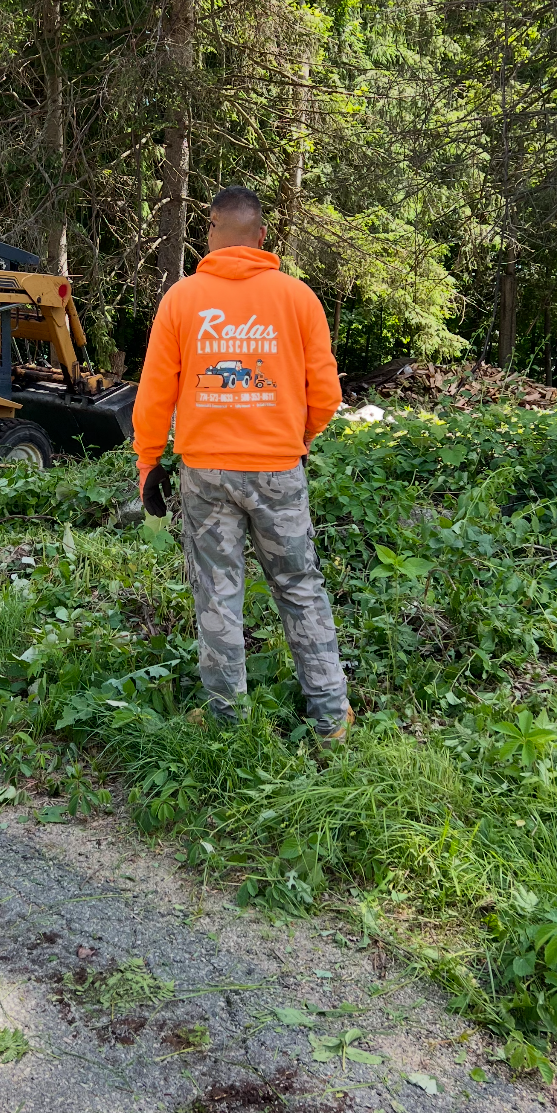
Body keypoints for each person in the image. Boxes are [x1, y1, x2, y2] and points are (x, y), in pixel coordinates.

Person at [132, 185, 353, 742]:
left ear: (210, 231)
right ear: (261, 236)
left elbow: (155, 394)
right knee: (300, 586)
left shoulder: (182, 300)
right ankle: (330, 717)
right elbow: (325, 393)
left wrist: (148, 462)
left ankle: (228, 720)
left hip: (206, 473)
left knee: (217, 591)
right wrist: (293, 435)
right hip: (279, 469)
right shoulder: (298, 299)